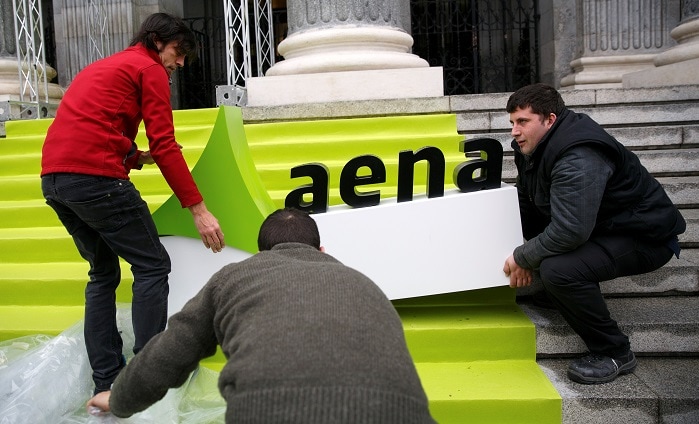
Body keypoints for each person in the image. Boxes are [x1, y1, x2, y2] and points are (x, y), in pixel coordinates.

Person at [86, 207, 436, 423]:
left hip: (268, 410)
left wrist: (118, 399)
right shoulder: (364, 283)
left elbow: (171, 351)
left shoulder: (235, 276)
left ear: (261, 253)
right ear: (321, 250)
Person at [40, 13, 225, 395]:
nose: (181, 63)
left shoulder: (104, 66)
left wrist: (135, 155)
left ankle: (106, 382)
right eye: (179, 52)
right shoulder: (148, 68)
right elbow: (166, 144)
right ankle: (148, 376)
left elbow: (89, 125)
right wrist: (199, 209)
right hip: (96, 180)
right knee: (153, 265)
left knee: (102, 274)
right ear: (157, 41)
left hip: (55, 180)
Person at [502, 83, 685, 385]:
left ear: (549, 119)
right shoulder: (532, 145)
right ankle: (557, 292)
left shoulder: (579, 156)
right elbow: (526, 199)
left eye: (523, 122)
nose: (514, 131)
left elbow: (570, 230)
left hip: (642, 235)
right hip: (600, 225)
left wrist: (523, 257)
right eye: (512, 122)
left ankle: (614, 351)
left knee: (559, 270)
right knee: (519, 215)